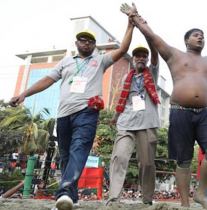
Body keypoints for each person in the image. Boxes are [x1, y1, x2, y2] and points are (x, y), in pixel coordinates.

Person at [120, 3, 207, 209]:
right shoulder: (174, 54)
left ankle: (200, 193)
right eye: (196, 35)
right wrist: (134, 16)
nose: (201, 37)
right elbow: (151, 36)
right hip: (180, 112)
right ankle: (185, 203)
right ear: (186, 40)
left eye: (203, 35)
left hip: (205, 113)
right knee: (184, 160)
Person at [10, 18, 136, 210]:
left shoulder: (100, 61)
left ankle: (63, 193)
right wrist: (23, 94)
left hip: (87, 112)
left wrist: (130, 25)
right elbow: (46, 80)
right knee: (66, 156)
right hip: (63, 114)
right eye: (82, 40)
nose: (86, 43)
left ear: (94, 46)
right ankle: (72, 197)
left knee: (79, 149)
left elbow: (122, 49)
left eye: (90, 41)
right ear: (76, 44)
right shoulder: (66, 62)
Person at [107, 17, 159, 206]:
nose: (141, 58)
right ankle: (113, 198)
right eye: (137, 56)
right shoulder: (126, 79)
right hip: (126, 122)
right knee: (119, 157)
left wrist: (143, 28)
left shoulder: (152, 73)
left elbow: (154, 52)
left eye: (143, 56)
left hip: (147, 123)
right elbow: (123, 101)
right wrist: (114, 117)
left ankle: (146, 200)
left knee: (146, 164)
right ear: (133, 59)